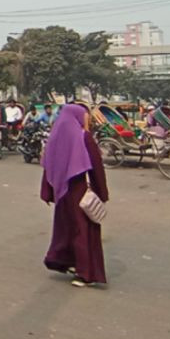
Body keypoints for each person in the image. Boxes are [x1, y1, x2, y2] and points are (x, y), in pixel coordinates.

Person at [39, 104, 109, 288]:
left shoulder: (54, 139)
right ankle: (86, 272)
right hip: (79, 192)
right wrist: (102, 192)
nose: (88, 119)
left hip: (62, 194)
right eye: (85, 115)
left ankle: (64, 261)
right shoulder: (83, 138)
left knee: (65, 228)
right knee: (83, 230)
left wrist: (47, 192)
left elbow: (48, 167)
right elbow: (97, 167)